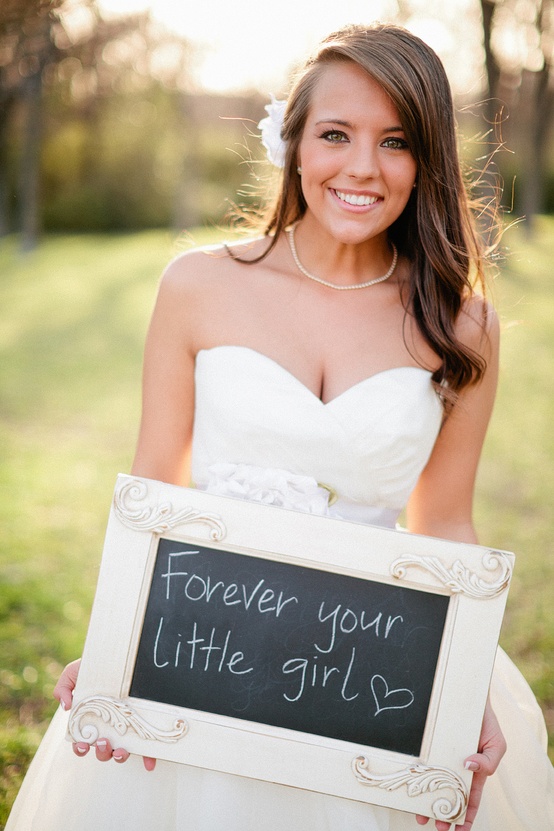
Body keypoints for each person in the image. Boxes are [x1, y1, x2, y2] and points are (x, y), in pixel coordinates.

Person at [6, 22, 554, 831]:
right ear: (294, 143)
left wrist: (461, 681)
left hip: (371, 677)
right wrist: (121, 644)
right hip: (204, 658)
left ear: (427, 159)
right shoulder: (197, 284)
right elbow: (154, 483)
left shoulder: (462, 323)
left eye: (395, 141)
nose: (362, 167)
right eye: (336, 134)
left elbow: (444, 519)